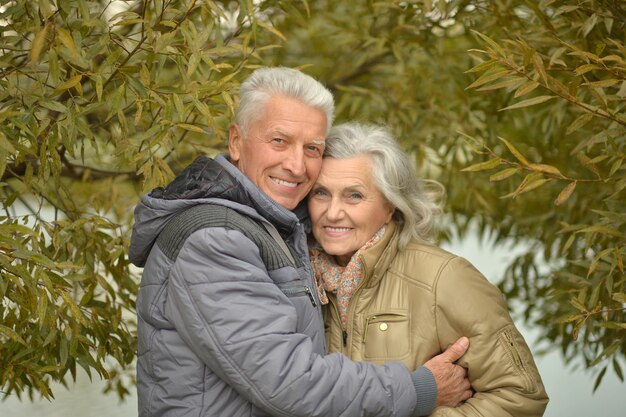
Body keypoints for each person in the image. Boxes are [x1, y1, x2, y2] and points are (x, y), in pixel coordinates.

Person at [129, 67, 472, 417]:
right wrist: (419, 389)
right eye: (279, 141)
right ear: (236, 142)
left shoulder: (277, 227)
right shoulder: (216, 239)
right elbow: (289, 382)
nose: (296, 165)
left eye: (312, 148)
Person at [308, 122, 550, 417]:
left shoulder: (445, 278)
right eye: (321, 193)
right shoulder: (299, 279)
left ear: (391, 206)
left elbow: (521, 397)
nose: (332, 212)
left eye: (354, 196)